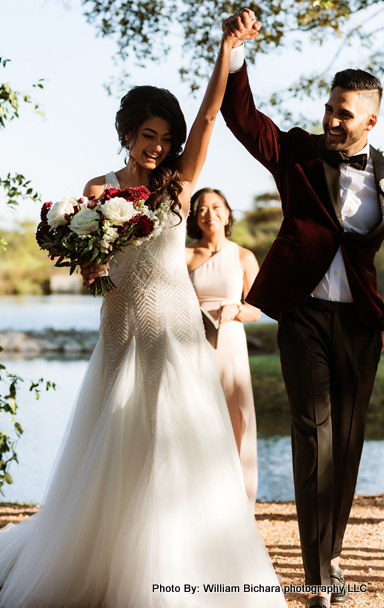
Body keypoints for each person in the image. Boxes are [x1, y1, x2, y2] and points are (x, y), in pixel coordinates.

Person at [0, 18, 288, 608]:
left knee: (175, 441)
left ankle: (179, 564)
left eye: (165, 138)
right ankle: (107, 558)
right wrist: (93, 267)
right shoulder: (97, 191)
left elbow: (205, 121)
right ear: (127, 132)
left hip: (174, 330)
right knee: (117, 440)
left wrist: (225, 54)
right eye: (149, 134)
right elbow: (93, 271)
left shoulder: (177, 189)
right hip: (121, 329)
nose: (158, 146)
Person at [221, 8, 384, 608]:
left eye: (345, 112)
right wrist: (235, 52)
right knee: (314, 438)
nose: (333, 118)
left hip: (363, 325)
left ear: (370, 118)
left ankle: (334, 555)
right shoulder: (295, 153)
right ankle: (318, 576)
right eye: (330, 107)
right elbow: (243, 118)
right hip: (304, 316)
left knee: (347, 447)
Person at [186, 187, 261, 507]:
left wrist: (236, 309)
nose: (209, 213)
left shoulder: (244, 256)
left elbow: (258, 308)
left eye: (216, 207)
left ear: (228, 214)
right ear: (194, 216)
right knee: (194, 417)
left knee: (236, 414)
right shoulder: (184, 255)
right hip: (192, 343)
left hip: (230, 342)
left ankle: (238, 502)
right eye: (201, 208)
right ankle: (198, 498)